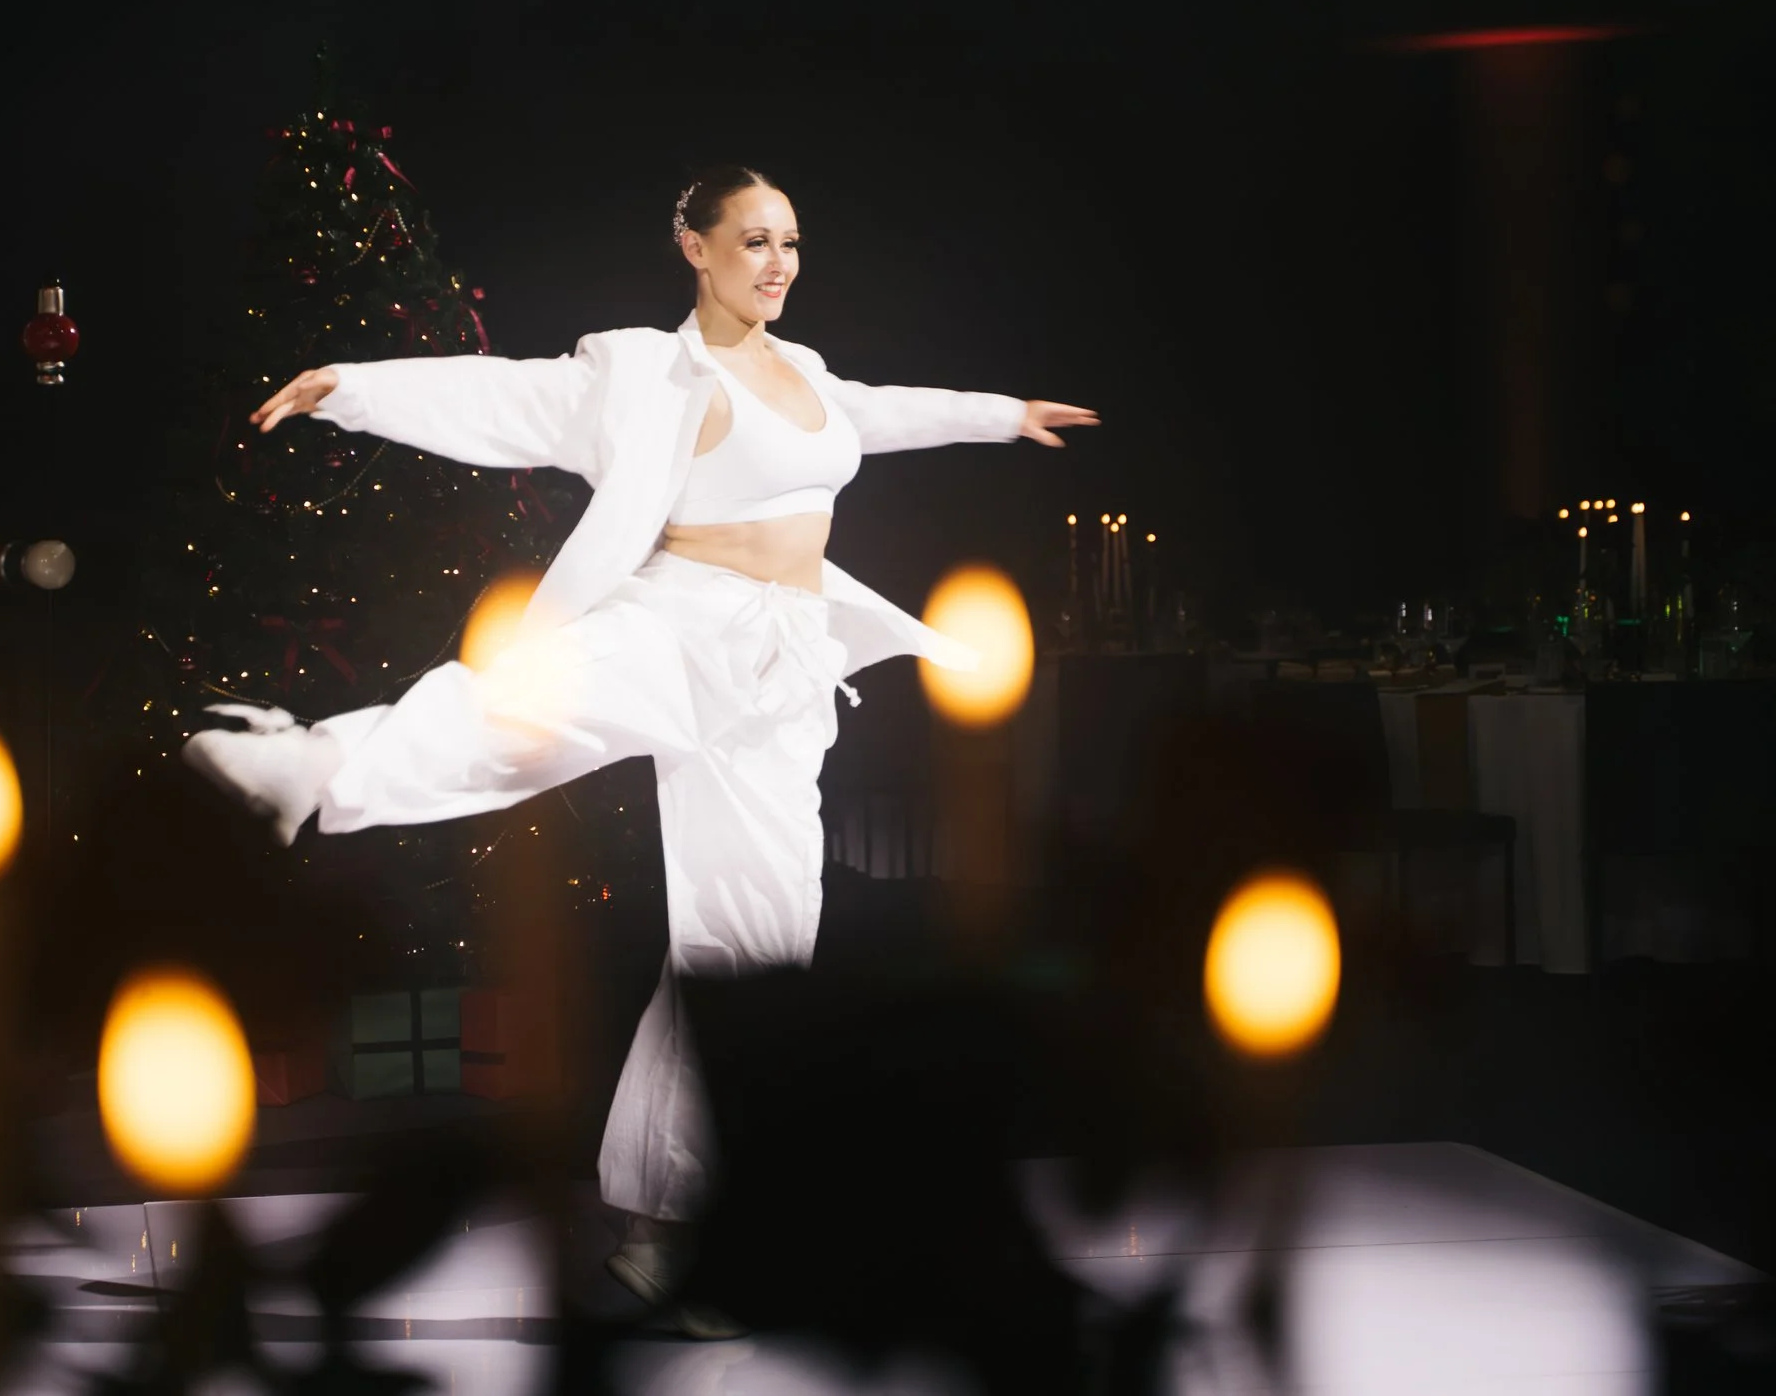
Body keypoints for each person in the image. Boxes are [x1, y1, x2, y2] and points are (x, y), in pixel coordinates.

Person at [184, 165, 1095, 1335]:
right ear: (694, 245)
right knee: (512, 718)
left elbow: (879, 408)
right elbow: (509, 399)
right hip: (676, 624)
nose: (777, 260)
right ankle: (296, 767)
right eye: (754, 238)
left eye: (791, 242)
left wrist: (996, 411)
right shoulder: (642, 370)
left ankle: (682, 1227)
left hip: (780, 666)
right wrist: (354, 388)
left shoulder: (805, 374)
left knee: (754, 944)